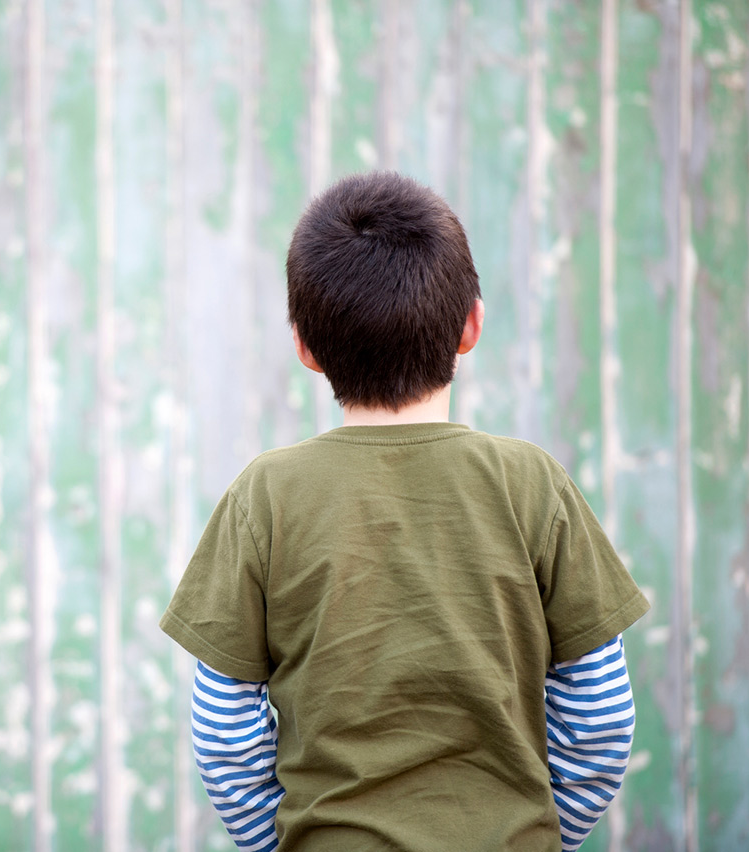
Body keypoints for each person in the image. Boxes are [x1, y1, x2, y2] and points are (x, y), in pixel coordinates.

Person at [160, 171, 650, 852]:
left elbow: (224, 735)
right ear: (471, 325)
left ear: (304, 345)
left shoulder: (264, 497)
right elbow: (600, 719)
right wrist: (536, 836)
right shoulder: (533, 485)